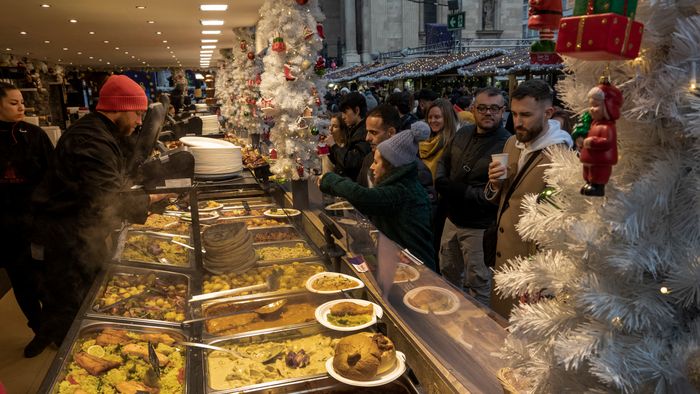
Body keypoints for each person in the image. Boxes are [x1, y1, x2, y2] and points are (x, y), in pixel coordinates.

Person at [30, 75, 172, 353]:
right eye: (137, 113)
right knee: (71, 310)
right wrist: (157, 196)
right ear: (118, 107)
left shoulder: (104, 132)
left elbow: (117, 179)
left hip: (81, 232)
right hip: (65, 239)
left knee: (90, 295)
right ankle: (75, 359)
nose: (140, 121)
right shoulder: (90, 140)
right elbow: (107, 201)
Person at [485, 79, 573, 318]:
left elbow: (559, 226)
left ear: (548, 113)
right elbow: (504, 198)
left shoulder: (559, 155)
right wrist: (494, 184)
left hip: (529, 267)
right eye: (514, 114)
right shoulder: (512, 143)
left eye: (525, 115)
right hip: (503, 258)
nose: (518, 123)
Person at [316, 126, 435, 267]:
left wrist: (328, 179)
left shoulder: (401, 190)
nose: (372, 167)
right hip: (400, 261)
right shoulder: (400, 183)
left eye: (377, 162)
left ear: (391, 167)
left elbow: (363, 196)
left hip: (419, 267)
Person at [435, 87, 510, 306]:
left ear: (503, 111)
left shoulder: (507, 144)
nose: (488, 113)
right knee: (448, 271)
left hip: (479, 227)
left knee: (479, 281)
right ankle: (450, 316)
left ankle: (477, 329)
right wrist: (441, 180)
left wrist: (460, 191)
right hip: (452, 220)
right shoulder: (463, 133)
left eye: (494, 108)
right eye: (483, 108)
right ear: (473, 109)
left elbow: (495, 192)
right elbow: (443, 160)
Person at [0, 83, 54, 357]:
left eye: (21, 102)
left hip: (37, 223)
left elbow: (53, 176)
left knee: (46, 281)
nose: (21, 107)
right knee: (22, 284)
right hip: (4, 229)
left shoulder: (35, 135)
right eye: (13, 103)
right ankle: (40, 331)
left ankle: (57, 328)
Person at [329, 92, 371, 181]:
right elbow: (340, 161)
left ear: (357, 110)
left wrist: (333, 146)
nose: (343, 117)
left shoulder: (364, 132)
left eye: (345, 112)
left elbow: (352, 162)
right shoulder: (354, 128)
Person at [420, 99, 458, 182]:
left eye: (437, 117)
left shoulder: (454, 143)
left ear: (447, 118)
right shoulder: (424, 141)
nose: (432, 121)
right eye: (430, 117)